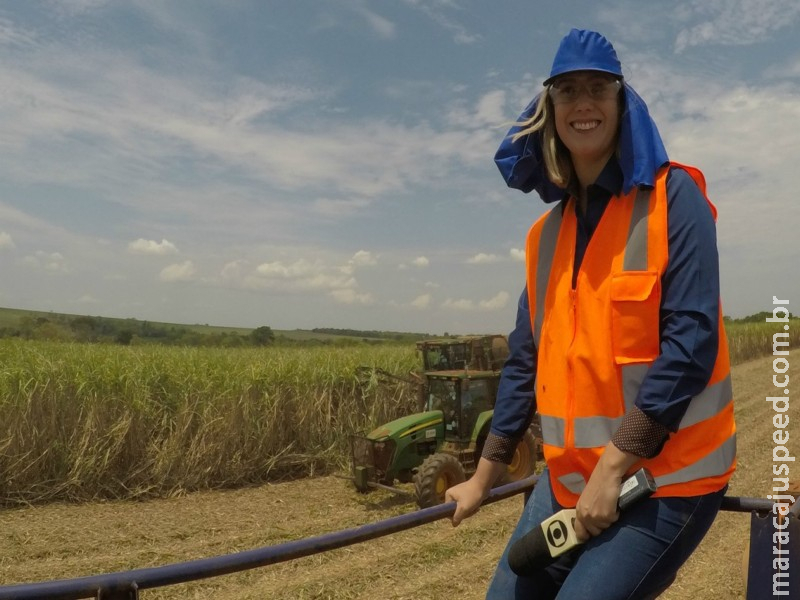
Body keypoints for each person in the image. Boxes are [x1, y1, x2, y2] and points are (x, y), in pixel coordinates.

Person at [445, 29, 736, 599]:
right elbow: (525, 361)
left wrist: (612, 470)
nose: (584, 103)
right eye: (568, 90)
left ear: (622, 104)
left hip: (670, 477)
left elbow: (692, 343)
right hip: (571, 479)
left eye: (599, 89)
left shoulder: (676, 199)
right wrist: (484, 475)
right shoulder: (543, 238)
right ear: (548, 110)